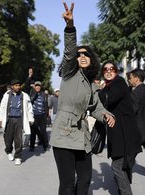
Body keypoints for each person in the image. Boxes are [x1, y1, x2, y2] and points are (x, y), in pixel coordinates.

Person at [49, 2, 115, 195]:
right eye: (79, 55)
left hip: (83, 136)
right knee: (68, 183)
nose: (82, 56)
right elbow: (69, 51)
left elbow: (97, 107)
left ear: (91, 58)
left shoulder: (92, 84)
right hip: (64, 133)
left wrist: (107, 115)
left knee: (85, 180)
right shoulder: (69, 73)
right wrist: (70, 27)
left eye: (86, 54)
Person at [98, 62, 142, 195]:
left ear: (116, 71)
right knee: (123, 166)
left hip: (125, 133)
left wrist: (99, 90)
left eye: (112, 69)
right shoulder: (110, 85)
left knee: (117, 167)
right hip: (118, 132)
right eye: (105, 69)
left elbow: (108, 99)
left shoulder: (119, 82)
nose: (109, 71)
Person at [0, 79, 34, 165]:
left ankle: (18, 156)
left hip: (19, 120)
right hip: (9, 119)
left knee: (18, 139)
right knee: (8, 138)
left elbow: (29, 108)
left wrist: (30, 119)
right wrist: (0, 118)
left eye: (19, 85)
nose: (18, 87)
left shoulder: (24, 96)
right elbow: (2, 107)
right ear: (12, 87)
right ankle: (9, 151)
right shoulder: (7, 95)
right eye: (16, 85)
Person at [29, 81, 49, 152]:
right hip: (34, 115)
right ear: (35, 86)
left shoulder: (44, 94)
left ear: (41, 87)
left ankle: (45, 145)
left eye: (39, 86)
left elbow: (46, 104)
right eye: (36, 86)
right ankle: (32, 146)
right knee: (33, 131)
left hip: (42, 115)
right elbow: (30, 101)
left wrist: (47, 114)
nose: (37, 87)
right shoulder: (32, 93)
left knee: (43, 131)